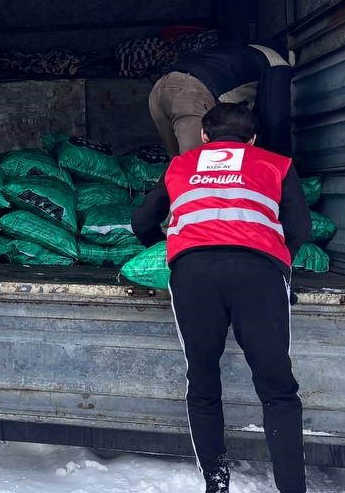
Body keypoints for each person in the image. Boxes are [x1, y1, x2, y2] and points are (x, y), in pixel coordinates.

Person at [133, 103, 311, 493]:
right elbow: (300, 228)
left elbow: (142, 222)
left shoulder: (181, 165)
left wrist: (169, 249)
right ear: (252, 139)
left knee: (202, 381)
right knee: (278, 388)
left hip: (194, 274)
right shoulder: (276, 164)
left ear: (204, 136)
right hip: (260, 273)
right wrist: (280, 264)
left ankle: (217, 484)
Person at [148, 43, 293, 156]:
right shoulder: (277, 65)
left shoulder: (242, 52)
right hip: (189, 93)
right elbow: (276, 120)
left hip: (159, 89)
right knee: (195, 166)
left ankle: (165, 194)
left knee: (178, 164)